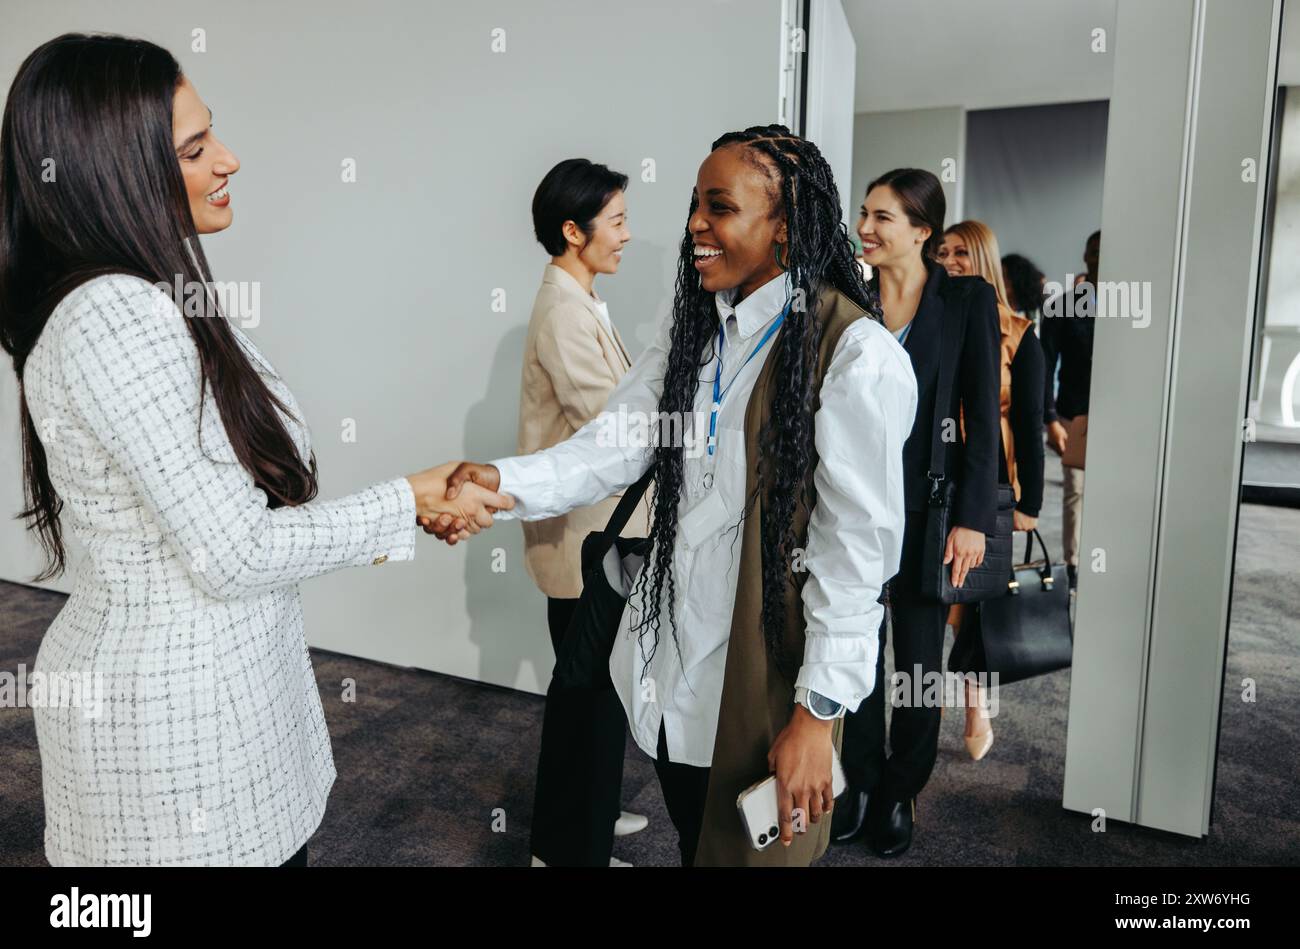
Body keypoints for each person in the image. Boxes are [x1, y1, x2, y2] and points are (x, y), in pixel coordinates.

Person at [0, 33, 506, 866]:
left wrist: (410, 506)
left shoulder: (153, 294)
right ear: (112, 172)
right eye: (195, 149)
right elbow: (231, 552)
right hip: (170, 737)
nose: (228, 159)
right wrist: (408, 501)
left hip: (215, 705)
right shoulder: (117, 316)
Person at [426, 125, 918, 867]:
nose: (693, 223)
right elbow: (612, 445)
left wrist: (818, 715)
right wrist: (503, 483)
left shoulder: (856, 356)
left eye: (718, 207)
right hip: (669, 670)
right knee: (696, 838)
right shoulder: (693, 330)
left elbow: (854, 557)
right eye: (695, 204)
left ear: (784, 229)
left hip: (761, 685)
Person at [832, 169, 1001, 857]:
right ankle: (864, 782)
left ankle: (902, 788)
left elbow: (983, 417)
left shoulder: (964, 299)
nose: (865, 228)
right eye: (863, 214)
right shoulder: (849, 297)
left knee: (920, 663)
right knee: (859, 651)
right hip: (856, 507)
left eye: (883, 217)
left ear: (922, 230)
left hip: (930, 512)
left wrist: (973, 518)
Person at [520, 158, 650, 865]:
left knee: (597, 695)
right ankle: (566, 850)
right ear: (574, 230)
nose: (628, 234)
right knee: (586, 697)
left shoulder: (582, 301)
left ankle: (587, 819)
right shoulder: (564, 313)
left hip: (600, 537)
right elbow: (615, 429)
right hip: (582, 544)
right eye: (618, 221)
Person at [937, 221, 1046, 760]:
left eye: (961, 253)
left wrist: (1031, 505)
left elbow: (1029, 423)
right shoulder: (930, 317)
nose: (951, 260)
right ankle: (922, 705)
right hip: (935, 472)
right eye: (943, 252)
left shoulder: (1020, 333)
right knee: (932, 599)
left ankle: (976, 707)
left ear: (983, 259)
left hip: (993, 478)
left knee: (975, 602)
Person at [1042, 230, 1100, 590]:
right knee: (1076, 489)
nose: (1099, 258)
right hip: (1074, 412)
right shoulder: (1064, 305)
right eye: (1094, 251)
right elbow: (1046, 366)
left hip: (1120, 414)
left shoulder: (1131, 304)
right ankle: (1074, 561)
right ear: (1084, 256)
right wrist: (1049, 417)